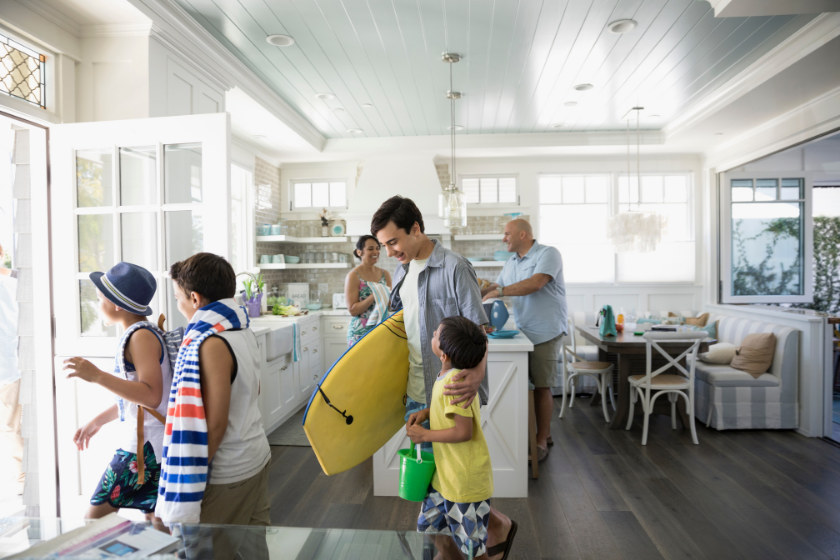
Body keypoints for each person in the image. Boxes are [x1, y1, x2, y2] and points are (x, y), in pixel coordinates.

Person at [372, 196, 516, 560]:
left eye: (393, 242)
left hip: (454, 389)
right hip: (422, 389)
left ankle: (473, 539)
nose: (389, 251)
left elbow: (480, 330)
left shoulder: (454, 267)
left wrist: (476, 376)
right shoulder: (403, 272)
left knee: (456, 476)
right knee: (436, 482)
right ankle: (487, 529)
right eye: (384, 244)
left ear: (416, 229)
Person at [157, 253, 271, 526]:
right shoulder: (241, 327)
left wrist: (187, 480)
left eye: (178, 298)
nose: (178, 305)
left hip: (228, 472)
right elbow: (254, 390)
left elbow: (216, 424)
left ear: (194, 298)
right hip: (256, 453)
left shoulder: (211, 343)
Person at [63, 262, 171, 526]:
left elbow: (151, 396)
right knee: (155, 520)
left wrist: (97, 375)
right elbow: (136, 398)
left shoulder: (140, 337)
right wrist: (97, 421)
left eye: (100, 298)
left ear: (117, 304)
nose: (98, 304)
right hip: (154, 447)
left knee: (94, 521)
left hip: (142, 451)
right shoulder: (144, 332)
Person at [407, 317, 497, 560]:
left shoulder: (454, 383)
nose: (433, 333)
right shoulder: (446, 376)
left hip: (463, 483)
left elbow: (463, 431)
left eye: (436, 334)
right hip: (445, 478)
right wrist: (427, 412)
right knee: (428, 528)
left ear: (444, 354)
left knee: (472, 548)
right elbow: (446, 411)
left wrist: (424, 434)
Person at [482, 219, 568, 462]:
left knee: (541, 386)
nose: (503, 238)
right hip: (524, 331)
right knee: (525, 386)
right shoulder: (512, 262)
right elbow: (496, 287)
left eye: (507, 234)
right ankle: (538, 433)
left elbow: (536, 283)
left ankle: (541, 441)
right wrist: (471, 289)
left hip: (546, 330)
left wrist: (497, 291)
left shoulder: (548, 254)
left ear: (523, 234)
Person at [344, 235, 392, 346]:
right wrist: (375, 294)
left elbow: (389, 305)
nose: (376, 251)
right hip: (359, 332)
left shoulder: (385, 274)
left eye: (377, 248)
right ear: (359, 252)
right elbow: (353, 310)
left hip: (381, 329)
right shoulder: (353, 276)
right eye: (370, 249)